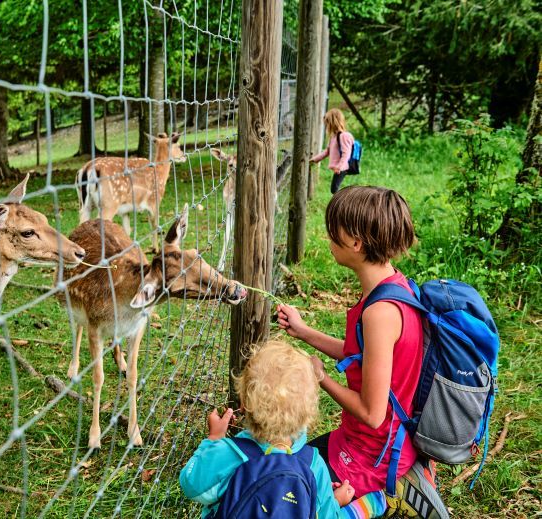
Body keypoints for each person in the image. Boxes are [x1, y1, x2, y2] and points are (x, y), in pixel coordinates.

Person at [277, 186, 445, 517]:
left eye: (332, 232)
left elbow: (372, 412)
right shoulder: (395, 286)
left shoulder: (379, 313)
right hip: (360, 439)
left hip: (373, 454)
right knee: (287, 468)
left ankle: (388, 495)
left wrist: (320, 377)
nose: (328, 238)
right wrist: (304, 332)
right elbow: (364, 357)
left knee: (284, 495)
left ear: (356, 242)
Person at [179, 340, 388, 519]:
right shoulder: (314, 464)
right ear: (309, 414)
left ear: (243, 403)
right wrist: (333, 500)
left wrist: (214, 440)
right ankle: (376, 502)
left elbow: (191, 485)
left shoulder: (229, 452)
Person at [310, 108, 355, 194]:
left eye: (327, 123)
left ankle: (342, 203)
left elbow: (346, 153)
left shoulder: (343, 136)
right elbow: (327, 151)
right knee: (334, 189)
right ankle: (341, 203)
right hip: (339, 167)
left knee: (334, 189)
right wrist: (315, 159)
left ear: (333, 123)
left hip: (342, 167)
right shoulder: (334, 137)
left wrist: (339, 166)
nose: (326, 126)